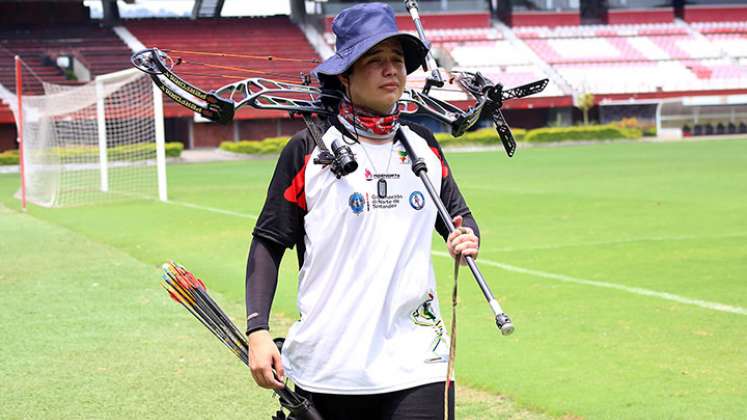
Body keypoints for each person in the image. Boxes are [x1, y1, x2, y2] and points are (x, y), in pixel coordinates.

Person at [245, 3, 480, 419]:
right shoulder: (308, 149)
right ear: (345, 74)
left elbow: (457, 217)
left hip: (418, 358)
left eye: (398, 60)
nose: (392, 70)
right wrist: (258, 331)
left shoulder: (422, 143)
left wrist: (465, 237)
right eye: (375, 61)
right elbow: (269, 242)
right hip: (332, 363)